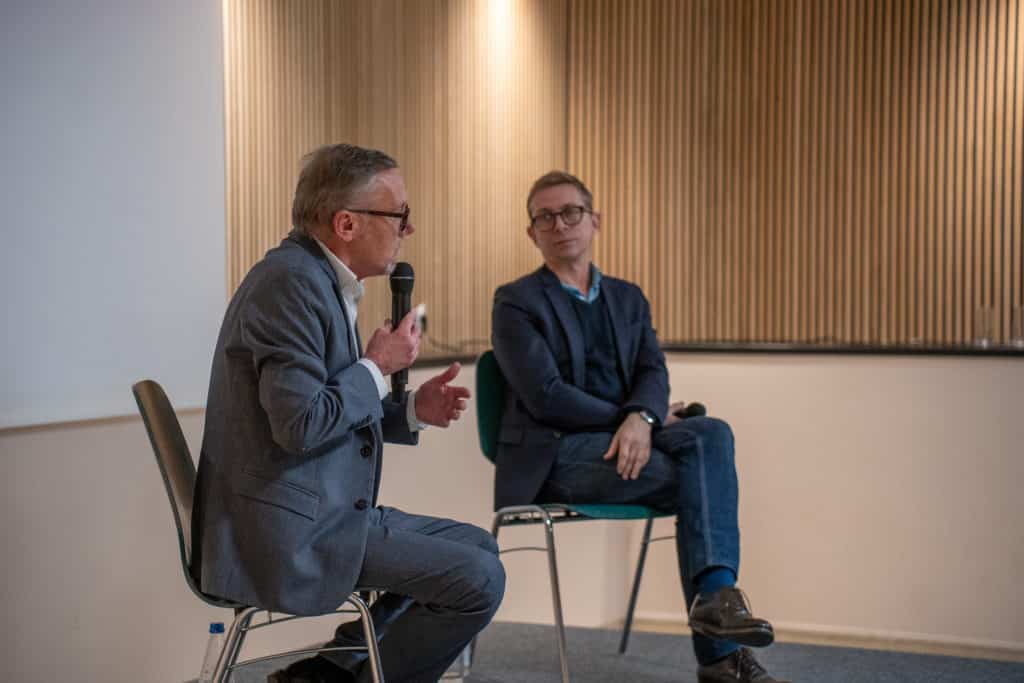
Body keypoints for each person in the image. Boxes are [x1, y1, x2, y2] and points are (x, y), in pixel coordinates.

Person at [194, 143, 505, 683]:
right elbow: (302, 424)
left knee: (477, 545)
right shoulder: (289, 285)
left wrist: (412, 410)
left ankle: (332, 671)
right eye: (399, 214)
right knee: (477, 579)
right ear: (346, 223)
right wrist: (376, 365)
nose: (408, 229)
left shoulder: (319, 281)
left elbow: (328, 408)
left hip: (319, 512)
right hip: (283, 533)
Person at [490, 171, 787, 683]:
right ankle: (719, 656)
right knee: (701, 483)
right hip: (559, 454)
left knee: (711, 433)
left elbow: (653, 370)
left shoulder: (628, 298)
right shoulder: (516, 301)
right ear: (531, 233)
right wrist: (631, 420)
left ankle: (716, 596)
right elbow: (546, 395)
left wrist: (642, 418)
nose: (559, 224)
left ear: (595, 221)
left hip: (631, 439)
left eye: (571, 212)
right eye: (545, 216)